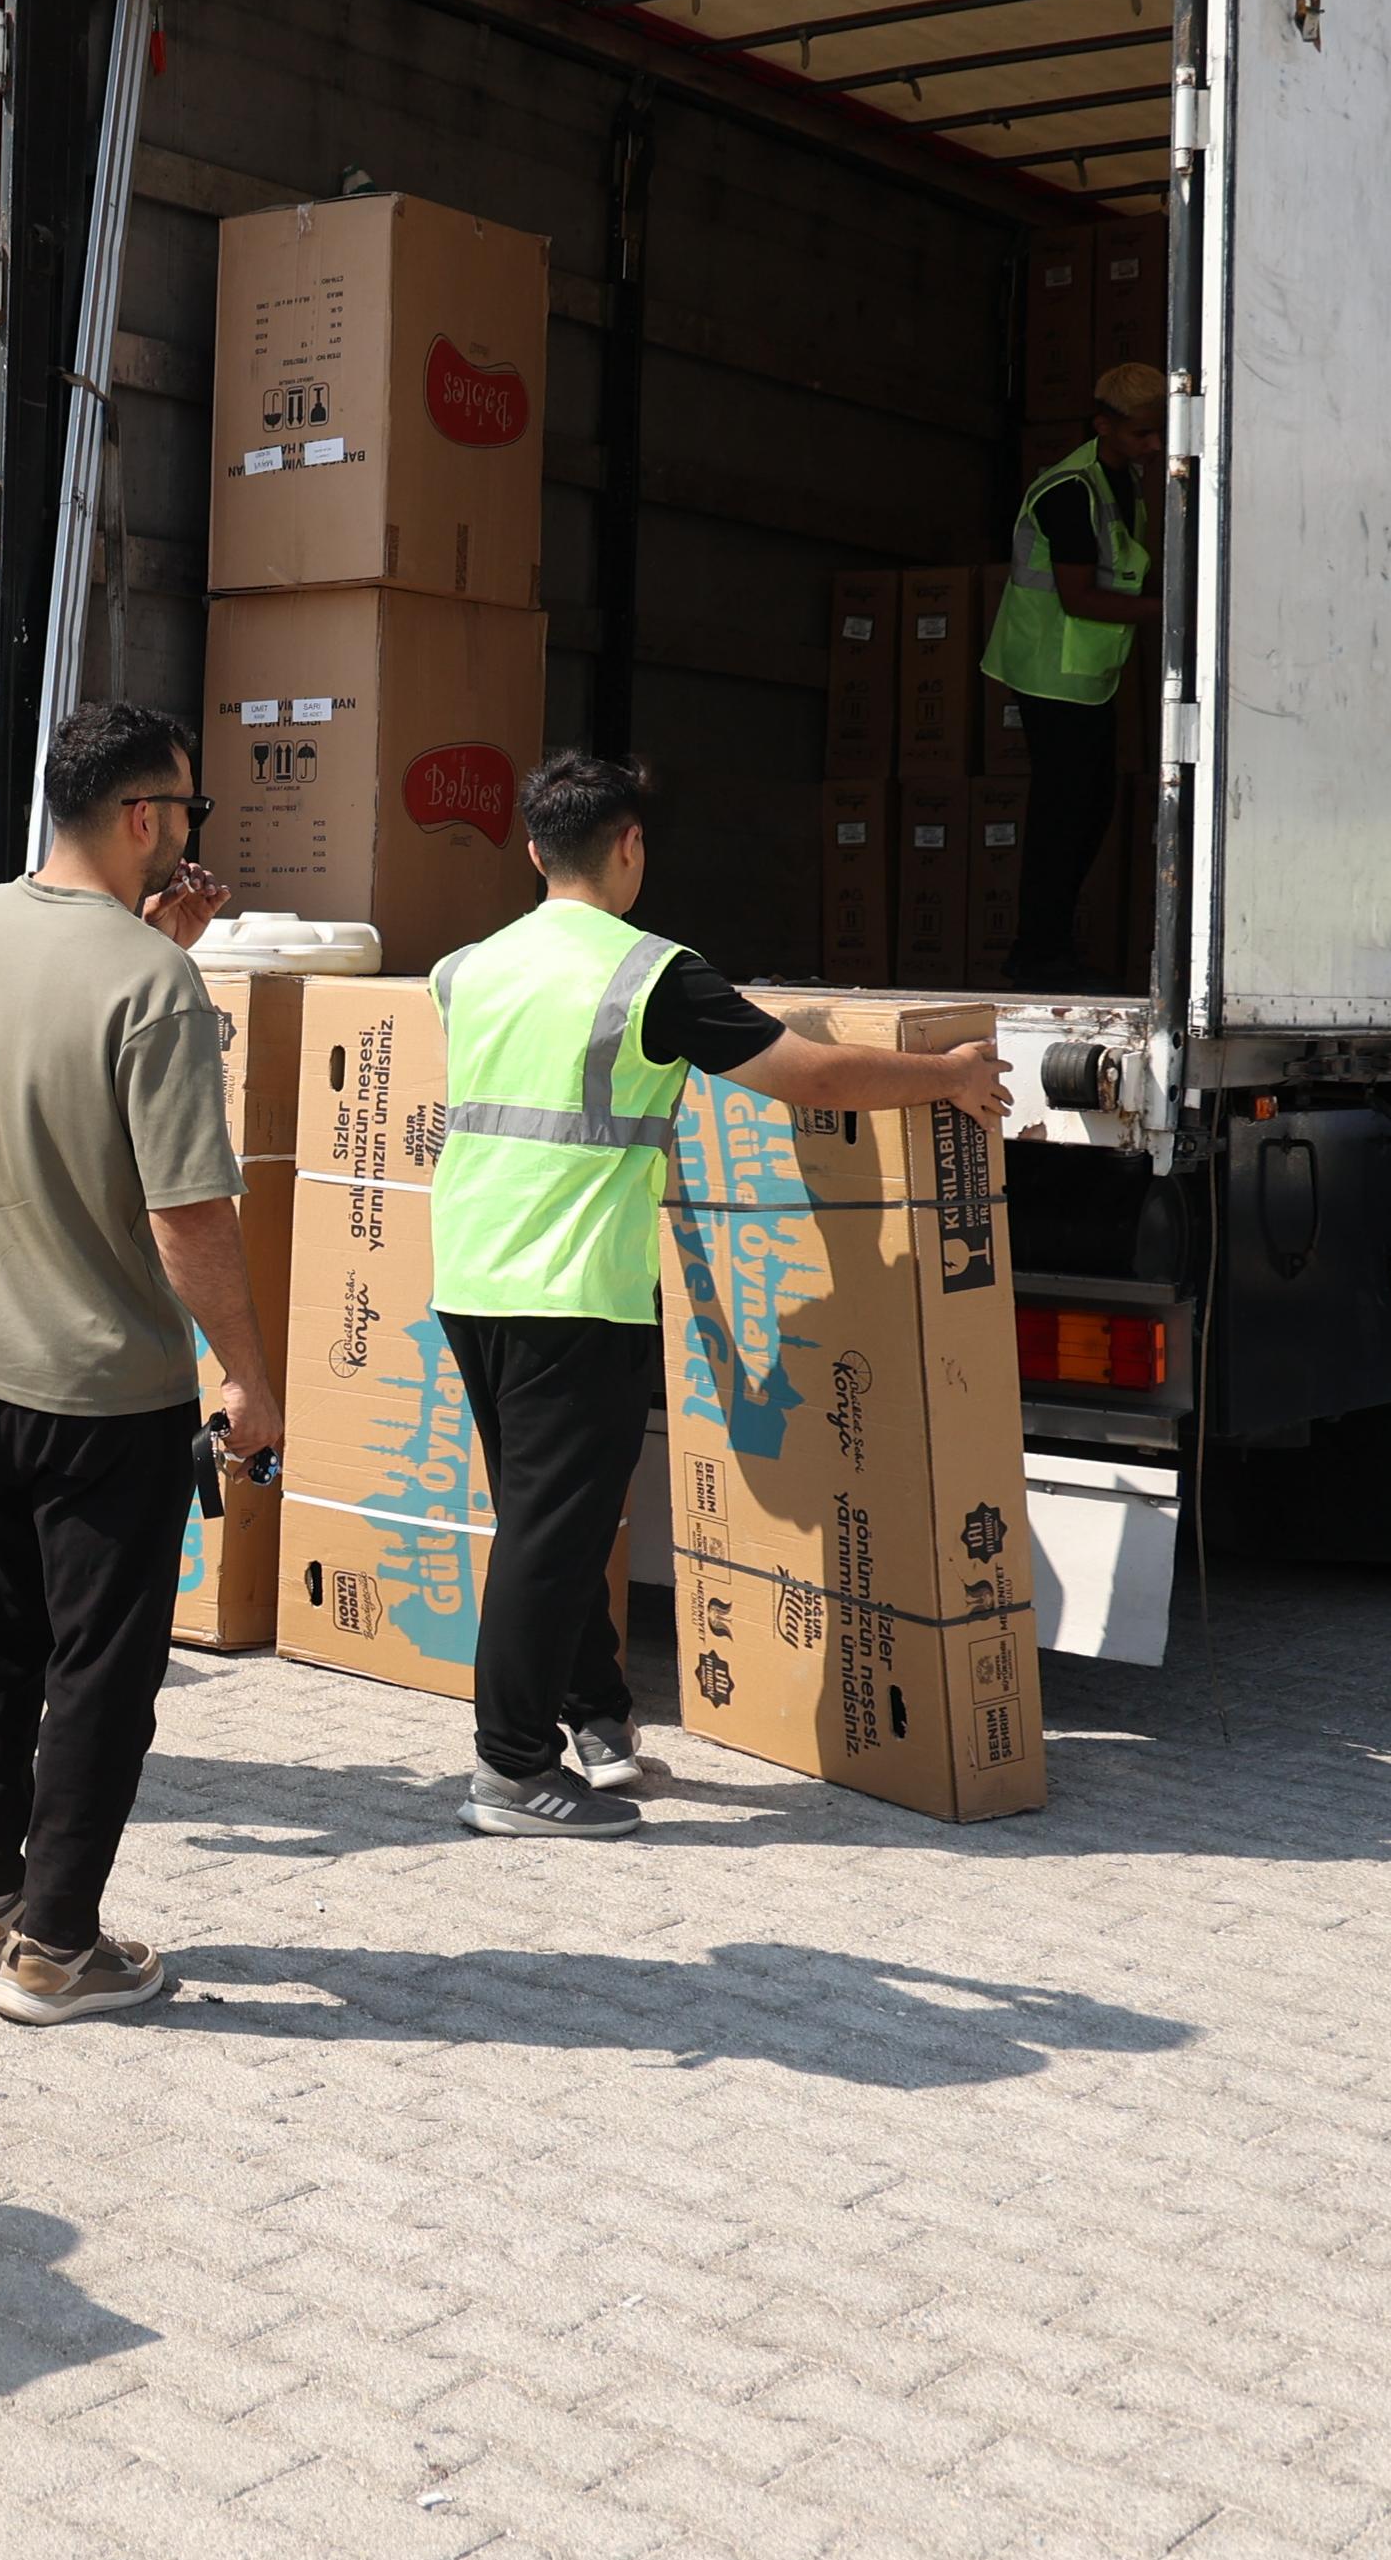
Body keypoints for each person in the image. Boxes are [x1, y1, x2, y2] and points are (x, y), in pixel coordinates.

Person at [428, 753, 1012, 1836]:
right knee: (551, 1533)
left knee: (547, 1520)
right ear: (629, 847)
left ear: (530, 850)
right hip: (571, 1285)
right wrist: (949, 1079)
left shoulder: (467, 966)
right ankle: (507, 1772)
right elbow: (810, 1077)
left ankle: (593, 1718)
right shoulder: (645, 973)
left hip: (469, 1270)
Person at [0, 701, 278, 2026]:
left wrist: (148, 941)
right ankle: (59, 1947)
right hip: (97, 1392)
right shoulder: (156, 988)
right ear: (142, 818)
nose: (189, 835)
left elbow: (52, 1051)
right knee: (103, 1680)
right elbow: (187, 1213)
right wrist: (250, 1370)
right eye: (186, 812)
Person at [982, 358, 1161, 988]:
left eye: (1159, 430)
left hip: (1085, 673)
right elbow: (1080, 597)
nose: (1156, 444)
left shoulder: (1120, 480)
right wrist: (1174, 614)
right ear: (1103, 425)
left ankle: (1045, 945)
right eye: (1143, 432)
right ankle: (1039, 953)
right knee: (1065, 813)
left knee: (1091, 808)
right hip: (1047, 672)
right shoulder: (1070, 491)